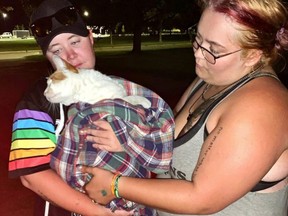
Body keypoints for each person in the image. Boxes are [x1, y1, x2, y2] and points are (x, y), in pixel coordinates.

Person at [79, 0, 288, 215]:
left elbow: (202, 198)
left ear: (253, 55)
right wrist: (130, 140)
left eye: (213, 50)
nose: (197, 54)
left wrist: (115, 186)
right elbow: (166, 137)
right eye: (198, 39)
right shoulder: (209, 79)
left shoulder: (263, 106)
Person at [8, 0, 133, 215]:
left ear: (91, 38)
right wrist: (100, 213)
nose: (70, 56)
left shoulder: (117, 89)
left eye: (75, 42)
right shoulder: (37, 101)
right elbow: (31, 176)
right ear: (48, 58)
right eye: (57, 50)